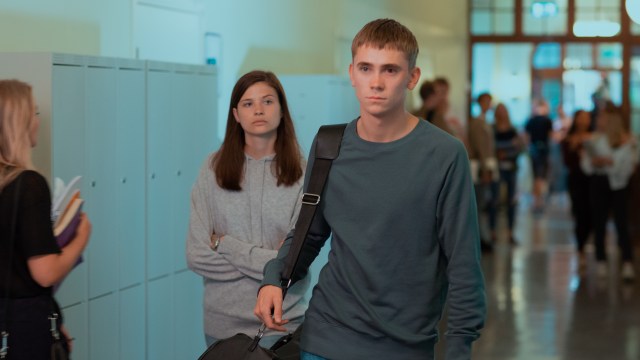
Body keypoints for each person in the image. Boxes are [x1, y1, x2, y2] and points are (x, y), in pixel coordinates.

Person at [254, 19, 486, 360]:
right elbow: (310, 233)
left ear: (412, 78)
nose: (376, 83)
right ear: (352, 73)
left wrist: (460, 347)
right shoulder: (329, 143)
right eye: (366, 68)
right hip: (326, 337)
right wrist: (274, 278)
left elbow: (463, 261)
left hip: (403, 345)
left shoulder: (444, 155)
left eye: (390, 70)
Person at [186, 70, 310, 348]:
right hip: (223, 325)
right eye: (248, 103)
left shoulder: (305, 173)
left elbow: (296, 260)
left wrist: (225, 244)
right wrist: (273, 261)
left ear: (281, 110)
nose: (258, 110)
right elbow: (196, 255)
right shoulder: (212, 169)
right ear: (235, 114)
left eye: (267, 101)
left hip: (282, 321)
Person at [0, 79, 91, 359]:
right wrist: (81, 236)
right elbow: (46, 272)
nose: (38, 122)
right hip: (22, 327)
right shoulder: (28, 184)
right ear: (20, 123)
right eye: (34, 114)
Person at [580, 104, 637, 281]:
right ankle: (601, 261)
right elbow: (586, 165)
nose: (599, 121)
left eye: (603, 117)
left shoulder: (626, 140)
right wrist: (595, 162)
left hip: (618, 184)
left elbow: (628, 165)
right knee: (599, 222)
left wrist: (610, 162)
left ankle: (627, 262)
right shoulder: (594, 139)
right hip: (599, 181)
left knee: (621, 223)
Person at [560, 110, 593, 269]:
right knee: (580, 213)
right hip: (577, 181)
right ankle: (580, 249)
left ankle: (585, 243)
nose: (584, 121)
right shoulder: (568, 139)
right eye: (581, 118)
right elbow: (567, 161)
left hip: (592, 181)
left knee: (591, 214)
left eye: (586, 118)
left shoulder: (595, 137)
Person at [468, 92, 498, 251]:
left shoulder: (485, 122)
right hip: (480, 168)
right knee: (479, 203)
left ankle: (483, 236)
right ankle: (480, 238)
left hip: (486, 165)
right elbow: (480, 147)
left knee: (485, 202)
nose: (488, 105)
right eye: (486, 102)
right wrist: (486, 169)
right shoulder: (477, 123)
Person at [492, 103, 524, 245]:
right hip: (498, 169)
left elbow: (519, 148)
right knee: (494, 199)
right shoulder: (492, 129)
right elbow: (492, 147)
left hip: (511, 168)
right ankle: (493, 231)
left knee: (511, 201)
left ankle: (510, 232)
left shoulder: (513, 130)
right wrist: (506, 148)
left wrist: (506, 152)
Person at [524, 98, 553, 212]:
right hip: (542, 150)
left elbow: (526, 136)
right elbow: (551, 136)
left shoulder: (532, 120)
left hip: (535, 149)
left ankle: (537, 200)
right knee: (540, 176)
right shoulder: (547, 120)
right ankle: (538, 200)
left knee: (536, 175)